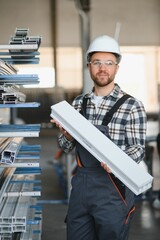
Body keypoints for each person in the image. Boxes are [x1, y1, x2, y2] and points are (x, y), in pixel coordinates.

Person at [51, 35, 147, 240]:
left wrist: (118, 163)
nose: (103, 68)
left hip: (113, 188)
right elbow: (65, 147)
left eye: (109, 63)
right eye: (97, 63)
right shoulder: (77, 104)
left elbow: (138, 148)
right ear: (89, 67)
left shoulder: (132, 105)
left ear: (116, 68)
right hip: (82, 186)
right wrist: (67, 136)